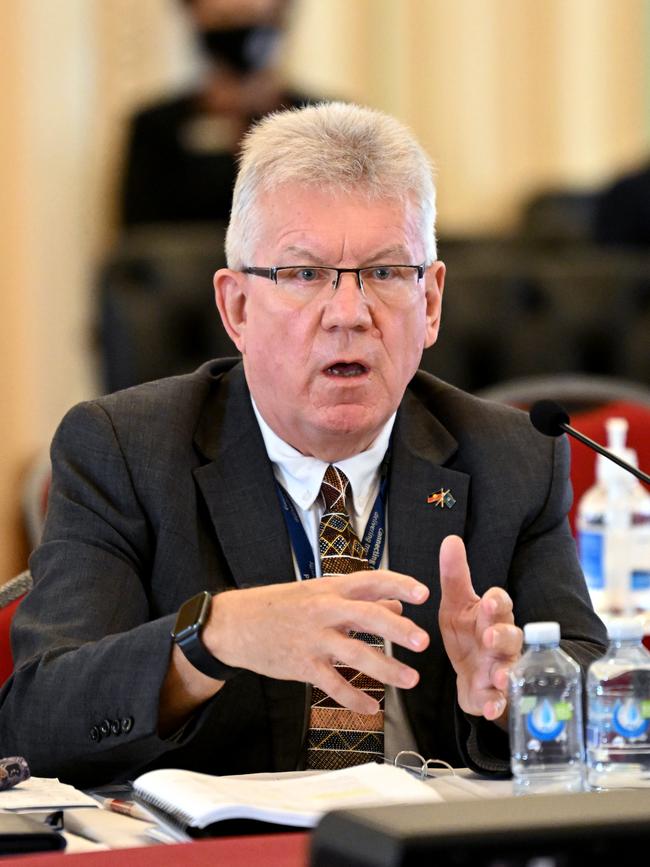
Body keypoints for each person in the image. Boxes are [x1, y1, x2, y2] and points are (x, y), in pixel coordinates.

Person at [0, 102, 607, 787]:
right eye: (303, 274)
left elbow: (598, 691)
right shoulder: (126, 450)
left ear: (431, 302)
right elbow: (36, 721)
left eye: (385, 272)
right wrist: (214, 634)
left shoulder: (511, 457)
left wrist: (515, 692)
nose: (348, 314)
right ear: (236, 308)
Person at [120, 0, 315, 226]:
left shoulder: (319, 120)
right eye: (225, 20)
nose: (239, 27)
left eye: (250, 16)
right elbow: (141, 241)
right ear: (194, 16)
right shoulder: (156, 127)